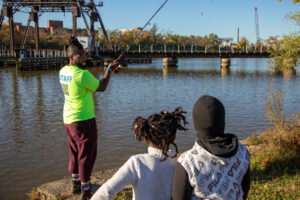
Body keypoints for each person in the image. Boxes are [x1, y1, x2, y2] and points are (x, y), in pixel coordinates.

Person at [59, 36, 119, 200]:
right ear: (72, 56)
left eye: (84, 52)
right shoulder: (81, 75)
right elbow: (101, 87)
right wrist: (109, 70)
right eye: (80, 54)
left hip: (68, 118)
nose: (84, 56)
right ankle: (86, 191)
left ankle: (76, 184)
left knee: (74, 151)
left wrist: (108, 70)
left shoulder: (63, 71)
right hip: (83, 119)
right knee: (87, 154)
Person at [91, 107, 188, 200]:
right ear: (173, 137)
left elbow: (107, 191)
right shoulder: (178, 163)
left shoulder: (137, 163)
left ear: (146, 139)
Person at [172, 95, 250, 200]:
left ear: (197, 124)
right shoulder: (242, 152)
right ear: (223, 121)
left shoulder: (187, 162)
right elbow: (244, 190)